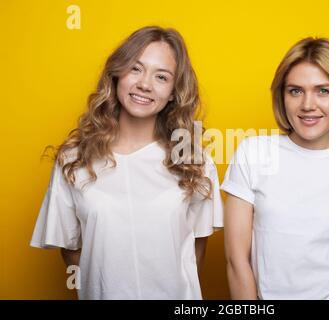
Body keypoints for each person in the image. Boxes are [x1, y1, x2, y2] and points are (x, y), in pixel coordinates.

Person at [30, 26, 223, 300]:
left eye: (161, 76)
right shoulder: (74, 159)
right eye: (135, 69)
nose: (145, 84)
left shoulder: (194, 162)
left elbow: (196, 249)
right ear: (117, 74)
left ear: (173, 93)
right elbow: (71, 247)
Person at [222, 37, 329, 300]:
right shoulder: (252, 153)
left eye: (323, 91)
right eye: (295, 90)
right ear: (282, 97)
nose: (308, 104)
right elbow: (235, 259)